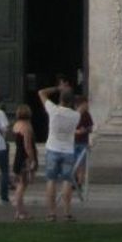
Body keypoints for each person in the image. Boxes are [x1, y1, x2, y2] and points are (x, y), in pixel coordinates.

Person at [39, 84, 79, 220]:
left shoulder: (54, 110)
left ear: (60, 99)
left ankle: (52, 213)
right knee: (67, 181)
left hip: (53, 148)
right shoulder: (75, 115)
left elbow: (41, 92)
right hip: (68, 150)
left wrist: (57, 88)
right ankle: (67, 212)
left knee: (51, 180)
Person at [10, 103, 37, 220]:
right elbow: (27, 146)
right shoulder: (26, 127)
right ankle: (20, 211)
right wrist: (33, 159)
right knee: (22, 185)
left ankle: (20, 210)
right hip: (24, 158)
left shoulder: (16, 125)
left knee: (20, 184)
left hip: (18, 156)